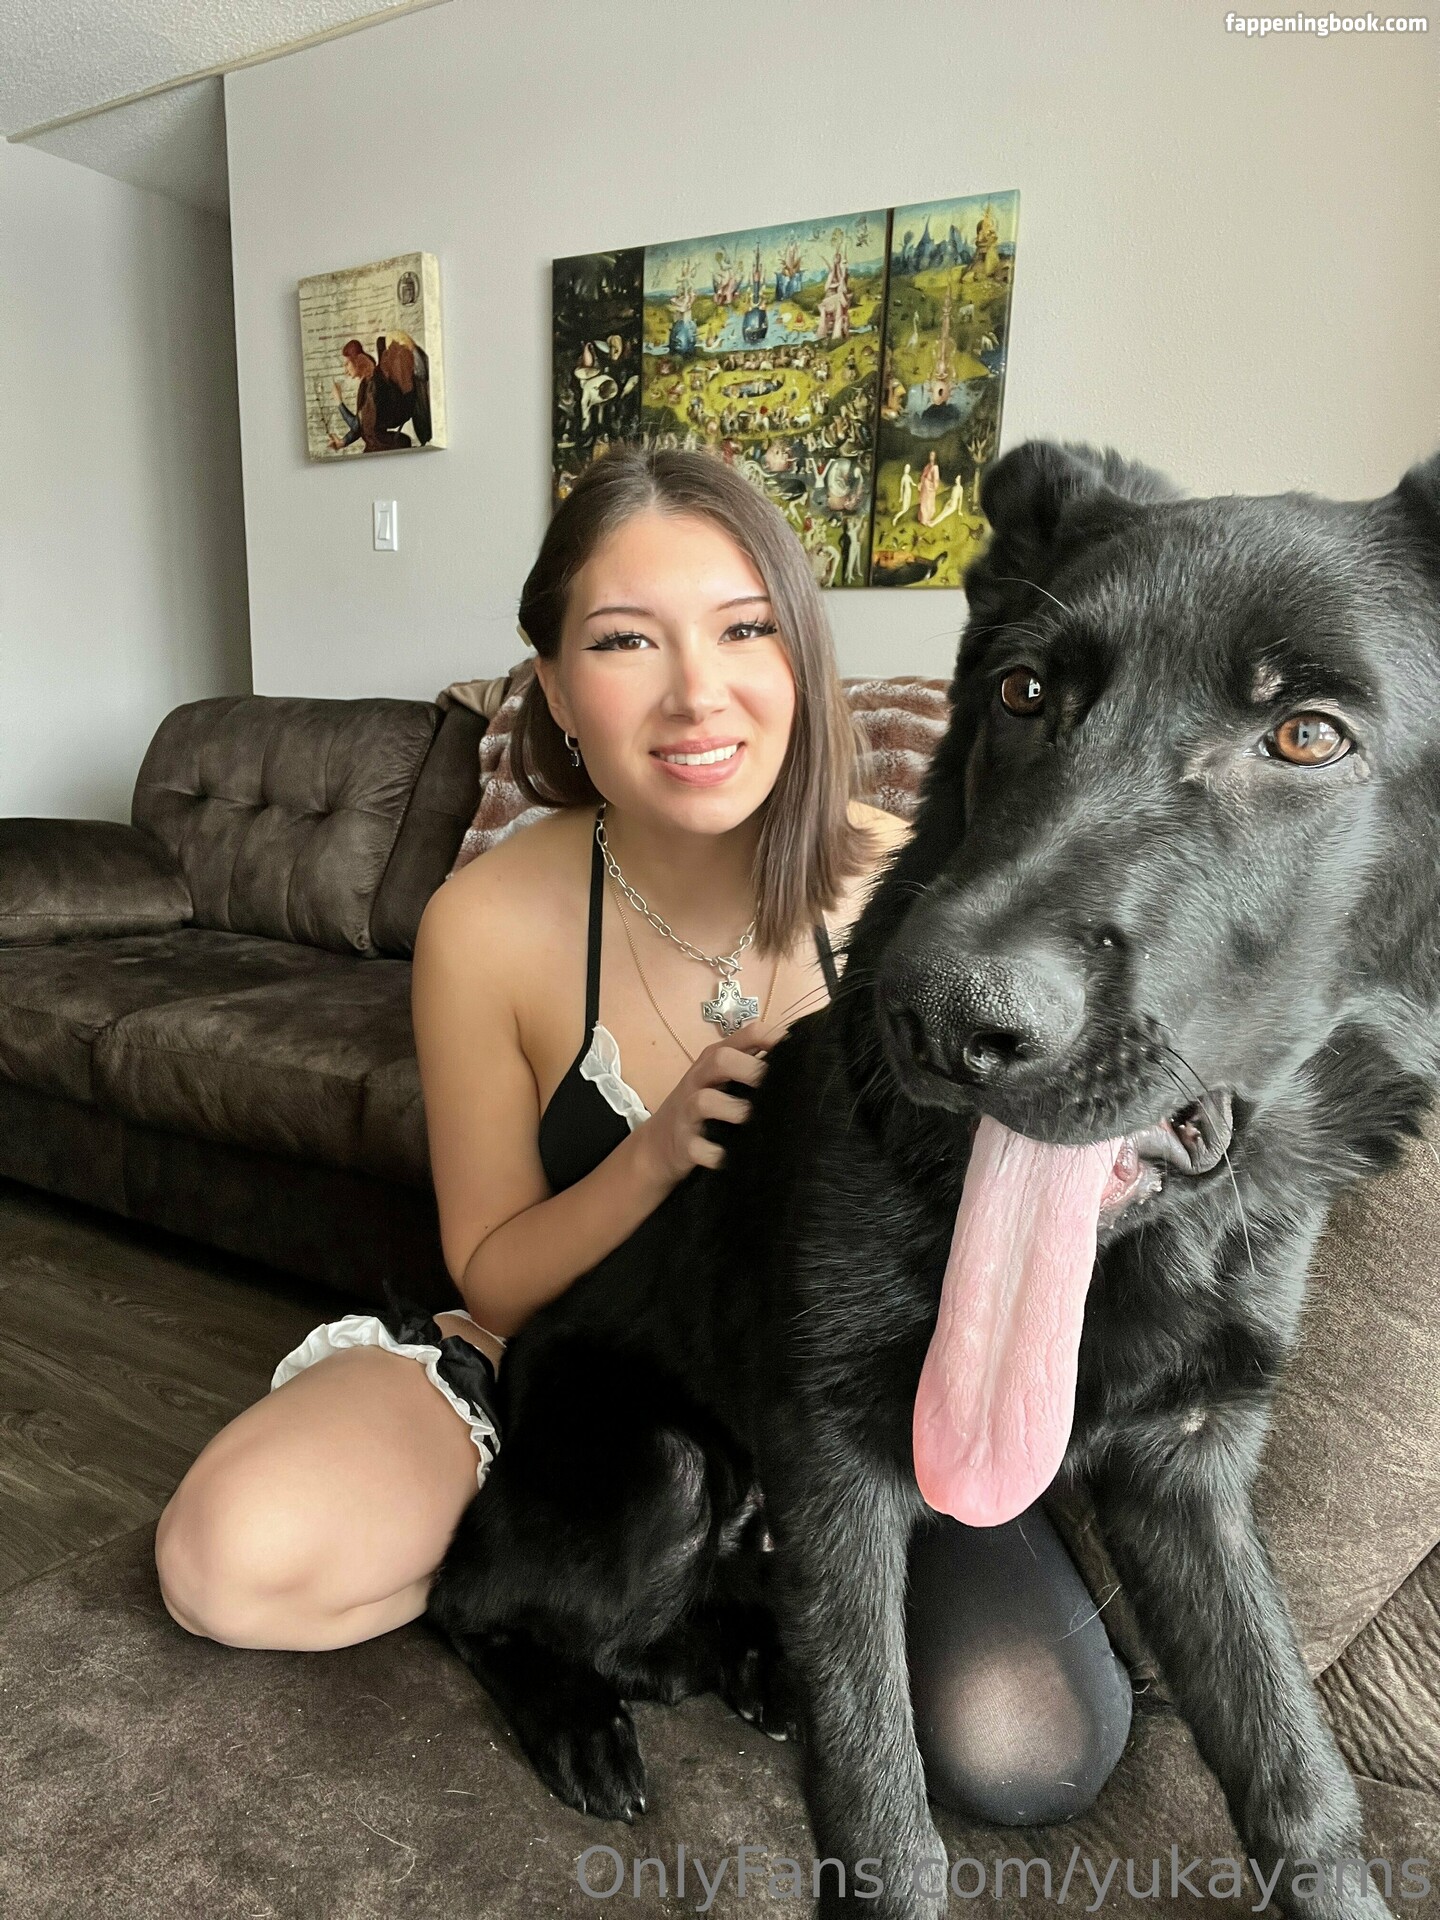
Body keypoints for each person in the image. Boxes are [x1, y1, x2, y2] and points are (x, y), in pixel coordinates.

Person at [153, 447, 1131, 1824]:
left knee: (1026, 1742)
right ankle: (549, 1577)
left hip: (843, 1394)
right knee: (224, 1564)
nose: (696, 693)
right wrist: (658, 1149)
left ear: (801, 658)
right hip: (580, 1360)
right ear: (554, 687)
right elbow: (496, 1275)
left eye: (744, 629)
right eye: (625, 641)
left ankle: (673, 1584)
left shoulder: (926, 892)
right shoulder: (485, 924)